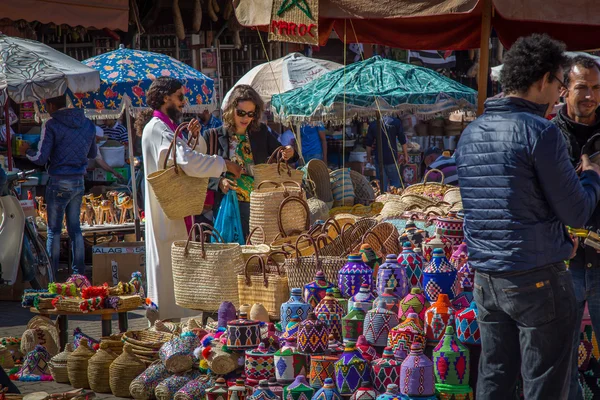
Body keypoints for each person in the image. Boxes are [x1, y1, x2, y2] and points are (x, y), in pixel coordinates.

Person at [455, 34, 600, 400]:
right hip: (536, 279)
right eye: (559, 84)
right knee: (544, 383)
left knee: (495, 375)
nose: (558, 95)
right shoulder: (541, 132)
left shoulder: (471, 133)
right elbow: (578, 211)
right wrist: (592, 175)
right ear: (543, 81)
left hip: (486, 278)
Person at [137, 76, 241, 320]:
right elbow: (187, 162)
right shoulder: (157, 128)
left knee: (174, 268)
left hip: (175, 209)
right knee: (168, 269)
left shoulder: (167, 128)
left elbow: (185, 156)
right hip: (167, 211)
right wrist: (223, 164)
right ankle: (164, 322)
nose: (184, 103)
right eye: (180, 97)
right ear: (166, 98)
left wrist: (193, 139)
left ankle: (172, 321)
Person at [550, 55, 600, 400]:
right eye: (582, 87)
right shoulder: (547, 136)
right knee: (561, 358)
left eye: (596, 88)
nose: (590, 96)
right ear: (564, 90)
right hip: (565, 265)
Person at [202, 84, 297, 239]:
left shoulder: (261, 133)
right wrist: (219, 182)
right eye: (241, 113)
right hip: (227, 206)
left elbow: (281, 154)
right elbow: (201, 170)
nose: (245, 118)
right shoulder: (212, 136)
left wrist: (289, 151)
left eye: (250, 114)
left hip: (258, 206)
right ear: (231, 110)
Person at [20, 95, 97, 276]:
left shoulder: (51, 124)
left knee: (54, 230)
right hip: (78, 181)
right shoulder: (88, 124)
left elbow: (40, 158)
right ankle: (79, 274)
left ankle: (51, 275)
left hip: (58, 180)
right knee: (75, 229)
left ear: (51, 105)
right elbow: (93, 153)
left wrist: (26, 151)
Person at [365, 113, 408, 191]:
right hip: (391, 158)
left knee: (382, 185)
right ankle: (395, 201)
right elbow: (403, 140)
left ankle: (382, 200)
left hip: (379, 158)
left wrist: (369, 157)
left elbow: (368, 143)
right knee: (395, 184)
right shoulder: (396, 122)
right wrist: (406, 155)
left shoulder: (373, 124)